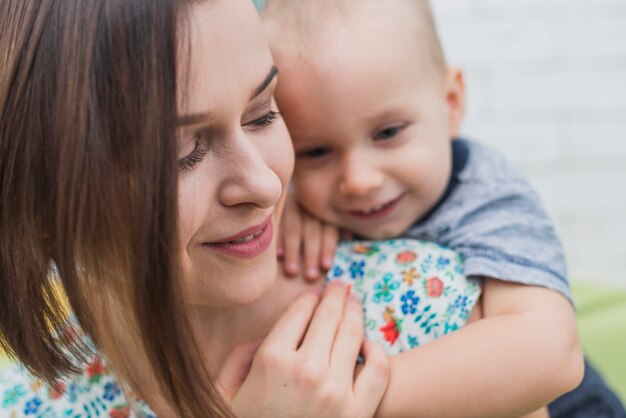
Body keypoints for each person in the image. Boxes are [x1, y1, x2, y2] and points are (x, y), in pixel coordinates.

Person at [0, 0, 393, 416]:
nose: (266, 185)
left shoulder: (426, 302)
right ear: (40, 206)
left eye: (260, 115)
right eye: (181, 153)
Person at [258, 0, 622, 416]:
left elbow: (551, 353)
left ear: (450, 104)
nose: (358, 179)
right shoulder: (304, 206)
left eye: (388, 132)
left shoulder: (486, 195)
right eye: (317, 151)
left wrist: (351, 403)